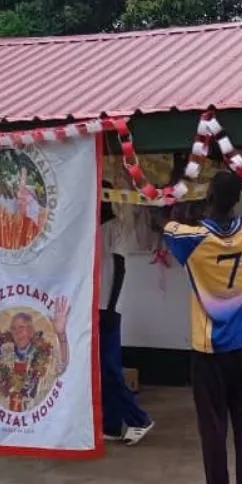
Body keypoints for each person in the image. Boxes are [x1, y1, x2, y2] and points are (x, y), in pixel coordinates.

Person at [163, 169, 242, 484]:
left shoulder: (190, 239)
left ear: (208, 196)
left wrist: (181, 180)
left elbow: (170, 218)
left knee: (213, 430)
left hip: (208, 353)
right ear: (238, 198)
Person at [99, 181, 154, 446]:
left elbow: (120, 269)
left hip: (106, 308)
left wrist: (111, 306)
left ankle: (138, 419)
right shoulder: (92, 229)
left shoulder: (115, 229)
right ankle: (110, 424)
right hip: (93, 307)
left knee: (110, 368)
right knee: (101, 369)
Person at [0, 299, 69, 413]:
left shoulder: (43, 357)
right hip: (1, 423)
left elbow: (61, 364)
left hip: (35, 423)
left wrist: (61, 334)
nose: (17, 333)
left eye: (21, 328)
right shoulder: (3, 354)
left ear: (31, 331)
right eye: (13, 329)